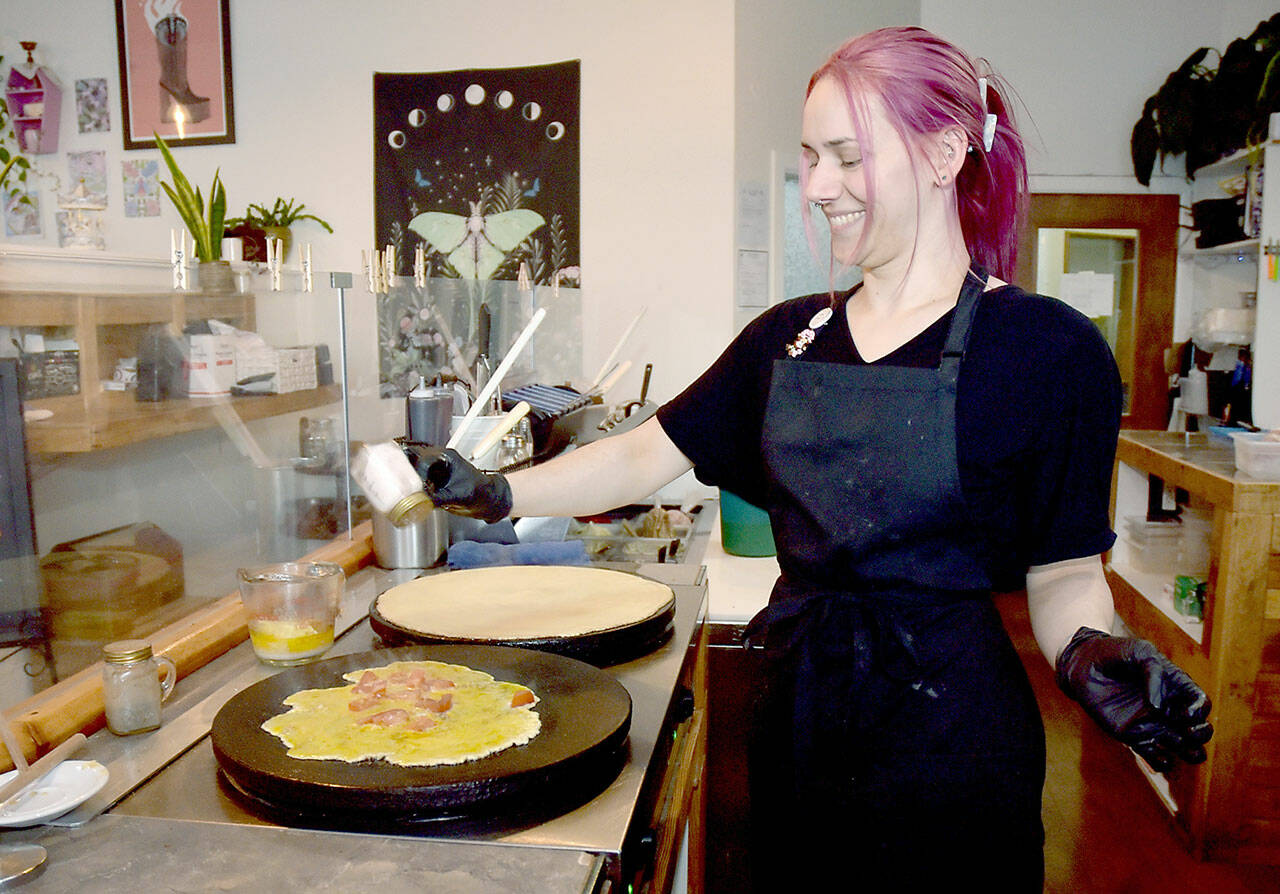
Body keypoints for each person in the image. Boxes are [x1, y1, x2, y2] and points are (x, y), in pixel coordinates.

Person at [398, 27, 1213, 891]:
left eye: (848, 158)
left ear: (945, 155)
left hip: (953, 745)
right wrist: (496, 491)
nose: (819, 187)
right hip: (798, 717)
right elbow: (642, 454)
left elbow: (1064, 570)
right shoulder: (787, 339)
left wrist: (1088, 649)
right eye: (812, 157)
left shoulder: (1047, 351)